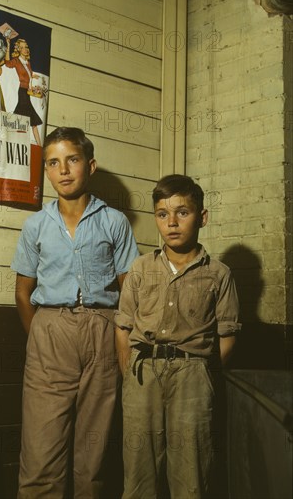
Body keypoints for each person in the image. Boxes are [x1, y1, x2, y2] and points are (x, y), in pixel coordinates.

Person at [11, 127, 139, 499]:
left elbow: (129, 290)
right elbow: (23, 292)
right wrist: (40, 335)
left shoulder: (114, 221)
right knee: (41, 442)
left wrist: (120, 339)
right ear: (46, 172)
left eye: (73, 159)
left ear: (91, 165)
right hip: (50, 329)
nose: (63, 170)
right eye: (53, 162)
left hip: (103, 328)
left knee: (93, 447)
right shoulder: (35, 224)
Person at [115, 174, 241, 499]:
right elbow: (123, 326)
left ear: (202, 217)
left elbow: (227, 333)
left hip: (193, 376)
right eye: (162, 214)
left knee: (192, 474)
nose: (171, 222)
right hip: (143, 374)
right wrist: (129, 373)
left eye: (182, 213)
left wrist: (204, 376)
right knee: (139, 473)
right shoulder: (140, 269)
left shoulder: (219, 274)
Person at [5, 38, 43, 146]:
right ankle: (15, 141)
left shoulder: (28, 63)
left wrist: (34, 76)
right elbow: (7, 63)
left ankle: (39, 145)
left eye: (26, 47)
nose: (25, 49)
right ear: (18, 50)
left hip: (27, 92)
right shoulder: (16, 61)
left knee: (27, 120)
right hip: (22, 92)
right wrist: (8, 45)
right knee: (27, 120)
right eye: (22, 47)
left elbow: (28, 74)